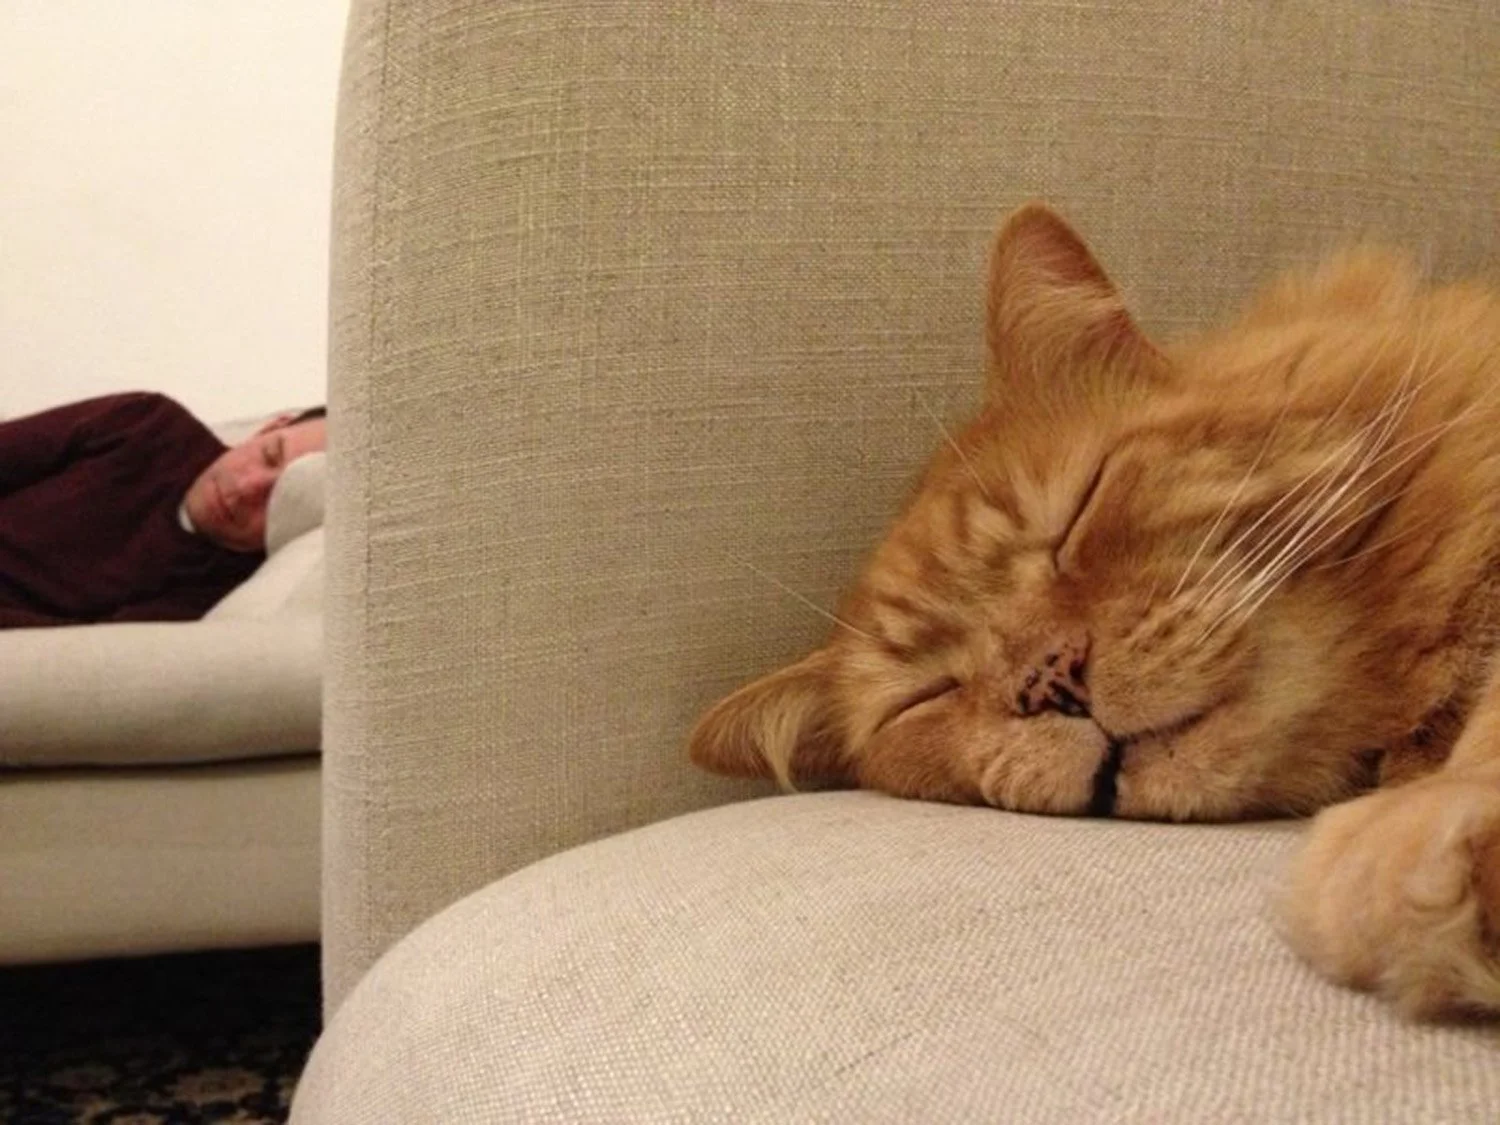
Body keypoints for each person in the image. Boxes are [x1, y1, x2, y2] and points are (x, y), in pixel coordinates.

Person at [0, 391, 327, 629]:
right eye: (269, 455)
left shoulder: (227, 593)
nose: (245, 488)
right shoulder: (146, 423)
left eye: (280, 496)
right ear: (270, 428)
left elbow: (81, 654)